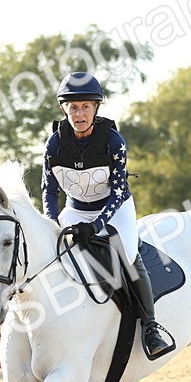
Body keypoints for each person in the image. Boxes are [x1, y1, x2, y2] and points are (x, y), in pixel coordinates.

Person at [41, 71, 175, 360]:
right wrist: (53, 222)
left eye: (85, 106)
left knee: (126, 254)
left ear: (96, 108)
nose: (79, 114)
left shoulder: (114, 142)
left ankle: (151, 329)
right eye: (73, 107)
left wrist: (97, 226)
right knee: (48, 254)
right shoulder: (53, 145)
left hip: (115, 209)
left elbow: (116, 192)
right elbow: (50, 192)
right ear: (65, 109)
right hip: (75, 208)